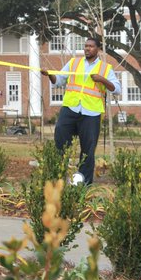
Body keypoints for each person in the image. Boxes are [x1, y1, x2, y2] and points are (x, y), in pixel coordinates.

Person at [45, 35, 119, 185]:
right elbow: (58, 80)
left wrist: (102, 79)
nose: (87, 48)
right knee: (60, 139)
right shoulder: (74, 63)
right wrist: (50, 76)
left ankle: (83, 183)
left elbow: (116, 89)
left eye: (91, 46)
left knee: (88, 149)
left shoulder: (105, 68)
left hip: (91, 113)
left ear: (98, 49)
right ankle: (58, 175)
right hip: (70, 108)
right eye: (86, 46)